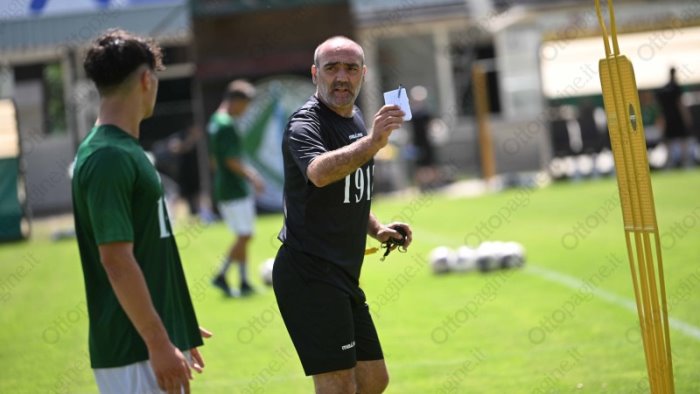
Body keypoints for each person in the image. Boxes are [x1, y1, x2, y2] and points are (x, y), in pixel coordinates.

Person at [72, 29, 210, 394]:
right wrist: (158, 342)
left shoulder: (123, 150)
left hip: (150, 342)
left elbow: (150, 249)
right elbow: (116, 260)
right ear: (147, 79)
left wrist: (175, 324)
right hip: (134, 350)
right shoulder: (109, 157)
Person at [272, 36, 413, 394]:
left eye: (350, 68)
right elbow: (320, 173)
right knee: (338, 386)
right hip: (309, 273)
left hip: (342, 275)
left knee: (373, 379)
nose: (341, 77)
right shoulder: (306, 123)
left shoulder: (356, 118)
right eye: (332, 68)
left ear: (363, 74)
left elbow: (347, 192)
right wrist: (373, 142)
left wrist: (378, 229)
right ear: (315, 73)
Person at [208, 79, 265, 297]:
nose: (246, 110)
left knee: (244, 234)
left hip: (225, 186)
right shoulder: (226, 124)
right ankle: (222, 275)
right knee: (244, 234)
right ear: (236, 101)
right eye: (246, 105)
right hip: (234, 188)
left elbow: (215, 160)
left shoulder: (215, 120)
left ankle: (243, 281)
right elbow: (231, 160)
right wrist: (253, 176)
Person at [656, 67, 692, 168]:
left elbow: (660, 108)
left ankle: (670, 161)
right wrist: (687, 117)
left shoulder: (663, 89)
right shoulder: (676, 87)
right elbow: (680, 103)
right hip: (677, 117)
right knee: (683, 139)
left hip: (668, 118)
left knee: (669, 140)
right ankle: (685, 161)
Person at [408, 85, 439, 190]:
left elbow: (432, 126)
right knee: (419, 165)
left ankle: (432, 184)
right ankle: (422, 185)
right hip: (417, 143)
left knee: (430, 163)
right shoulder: (411, 114)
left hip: (427, 142)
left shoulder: (426, 113)